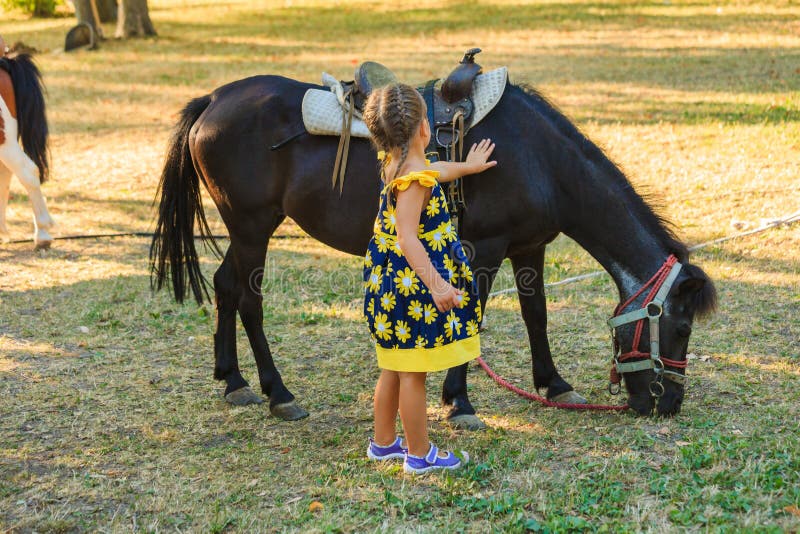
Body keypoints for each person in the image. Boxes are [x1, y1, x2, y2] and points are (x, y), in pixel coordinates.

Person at [361, 83, 496, 474]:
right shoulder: (414, 179)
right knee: (413, 374)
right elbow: (407, 238)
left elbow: (435, 171)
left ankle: (384, 443)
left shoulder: (399, 165)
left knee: (393, 365)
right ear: (424, 127)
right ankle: (419, 455)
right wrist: (438, 285)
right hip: (409, 286)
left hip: (387, 283)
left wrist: (467, 167)